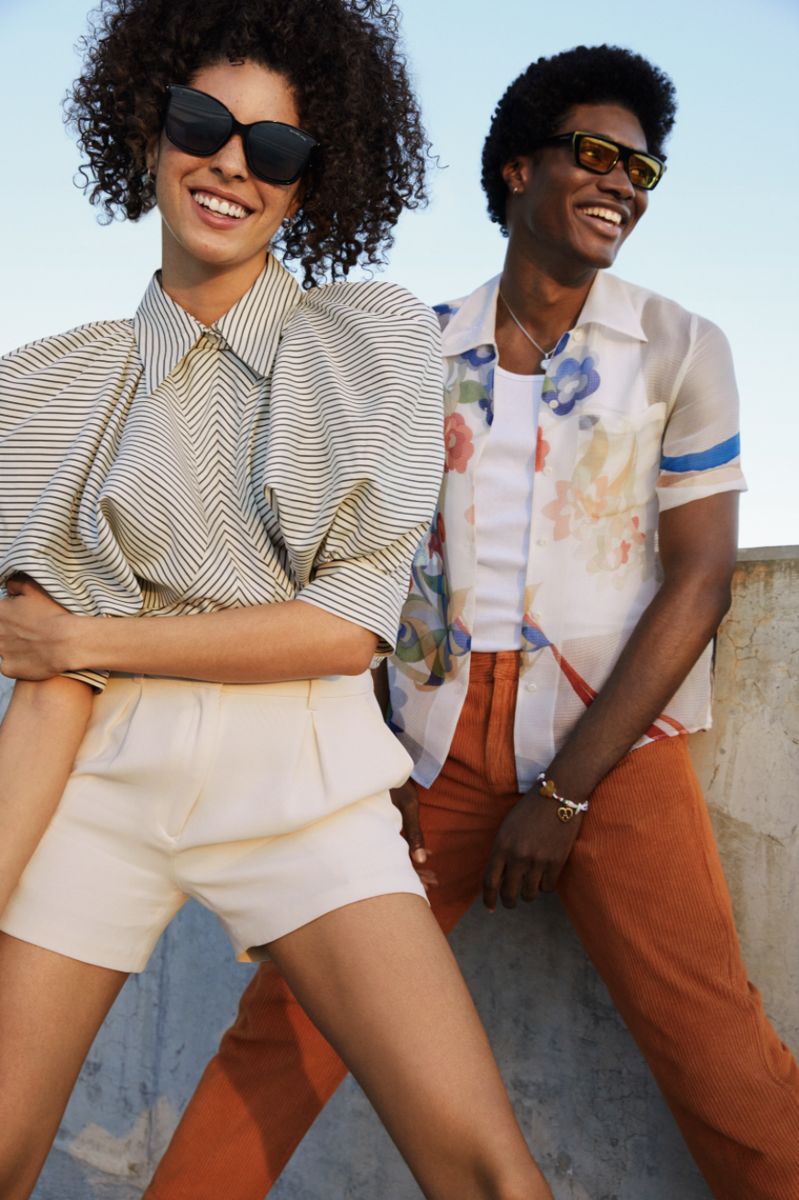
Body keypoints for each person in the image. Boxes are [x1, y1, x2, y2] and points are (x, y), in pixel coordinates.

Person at [136, 43, 799, 1200]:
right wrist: (367, 757)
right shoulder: (409, 353)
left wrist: (565, 796)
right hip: (421, 750)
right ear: (516, 170)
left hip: (612, 747)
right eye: (594, 155)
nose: (621, 183)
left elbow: (700, 582)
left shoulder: (680, 349)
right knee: (291, 1025)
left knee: (717, 1052)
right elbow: (343, 569)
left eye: (642, 170)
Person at [0, 3, 556, 1198]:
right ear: (149, 129)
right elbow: (47, 685)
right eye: (202, 122)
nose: (231, 165)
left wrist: (85, 634)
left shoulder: (367, 340)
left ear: (309, 184)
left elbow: (344, 627)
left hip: (303, 778)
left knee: (485, 1173)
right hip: (103, 774)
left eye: (276, 148)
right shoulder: (47, 389)